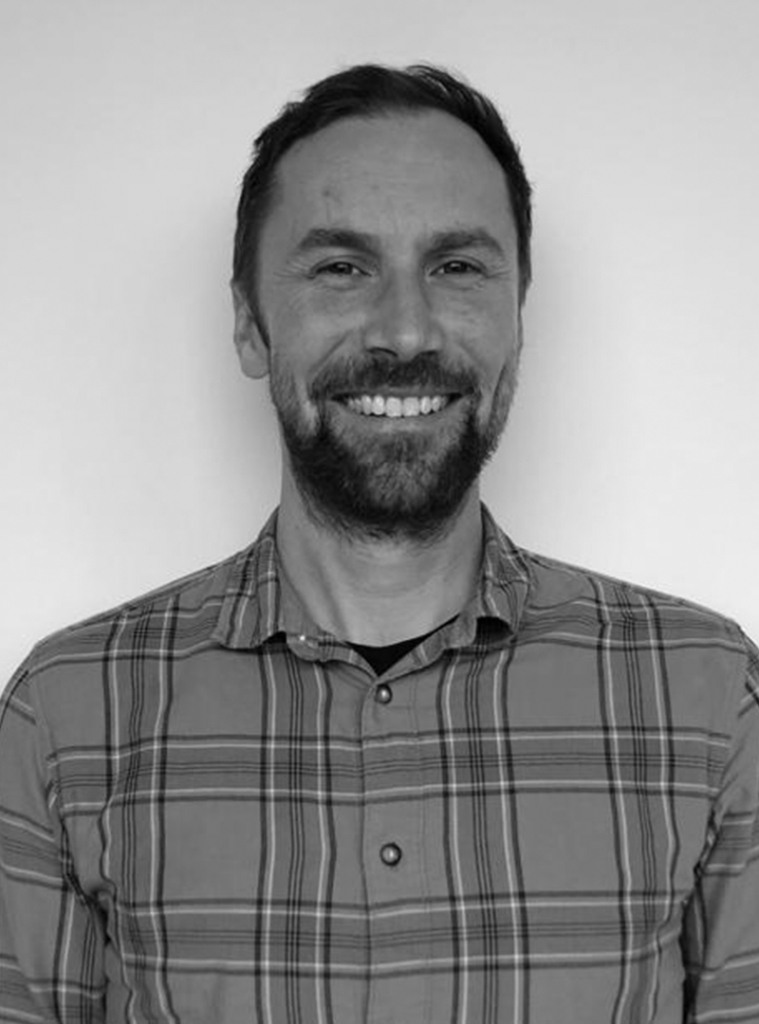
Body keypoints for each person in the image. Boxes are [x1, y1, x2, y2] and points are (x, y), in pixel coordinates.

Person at [1, 63, 757, 1024]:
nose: (404, 331)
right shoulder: (67, 719)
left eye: (457, 267)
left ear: (518, 319)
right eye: (340, 267)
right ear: (249, 325)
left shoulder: (707, 700)